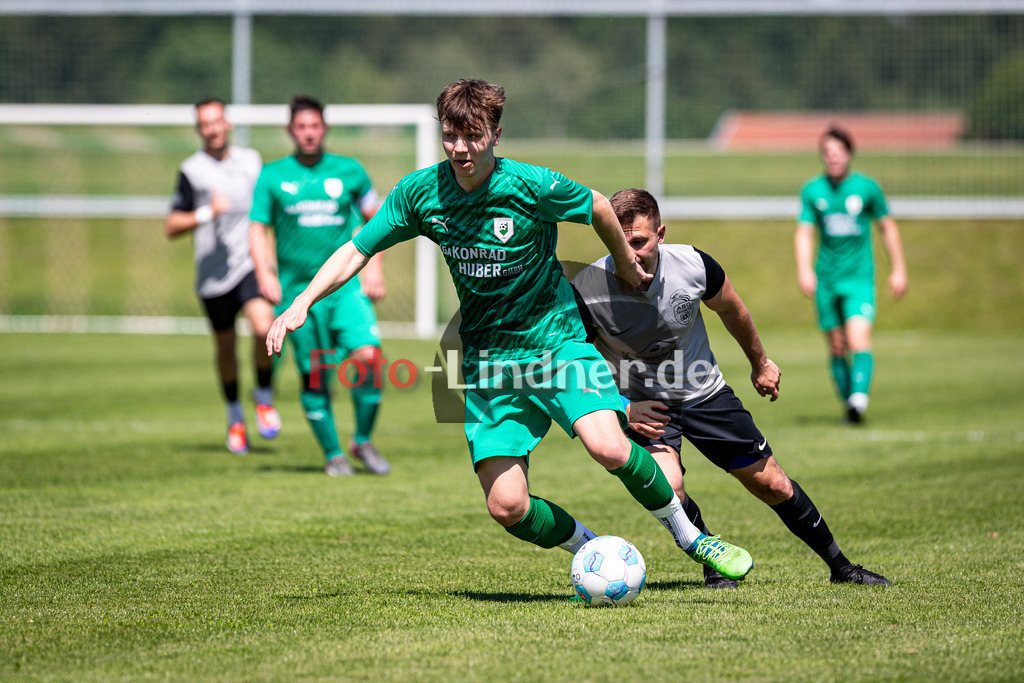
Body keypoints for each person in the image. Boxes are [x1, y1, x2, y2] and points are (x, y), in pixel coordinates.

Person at [266, 79, 754, 582]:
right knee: (507, 506)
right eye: (451, 136)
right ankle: (591, 551)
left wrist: (628, 265)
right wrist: (301, 301)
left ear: (495, 134)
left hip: (555, 341)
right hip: (487, 364)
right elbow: (357, 247)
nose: (460, 148)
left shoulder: (529, 185)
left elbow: (600, 207)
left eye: (472, 135)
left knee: (608, 445)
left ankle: (693, 537)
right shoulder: (420, 193)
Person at [571, 188, 890, 587]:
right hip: (646, 405)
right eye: (621, 242)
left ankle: (841, 567)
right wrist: (622, 406)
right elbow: (572, 363)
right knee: (668, 488)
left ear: (661, 234)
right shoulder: (586, 289)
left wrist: (760, 363)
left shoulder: (694, 265)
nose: (631, 253)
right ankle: (714, 562)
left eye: (640, 241)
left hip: (705, 393)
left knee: (771, 483)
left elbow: (732, 308)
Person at [250, 94, 390, 477]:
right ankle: (333, 454)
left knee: (369, 359)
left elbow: (377, 220)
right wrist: (264, 271)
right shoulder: (272, 176)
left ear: (324, 128)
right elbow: (258, 227)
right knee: (315, 374)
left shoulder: (350, 171)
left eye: (315, 126)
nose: (309, 133)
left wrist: (374, 268)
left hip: (346, 287)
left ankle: (362, 439)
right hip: (298, 295)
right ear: (290, 131)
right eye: (301, 127)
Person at [165, 97, 281, 455]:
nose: (213, 128)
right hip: (213, 276)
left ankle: (262, 395)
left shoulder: (251, 161)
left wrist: (270, 264)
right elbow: (171, 225)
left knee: (264, 328)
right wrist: (205, 213)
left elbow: (265, 215)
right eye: (205, 123)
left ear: (227, 124)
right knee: (225, 347)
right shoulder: (191, 170)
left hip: (250, 263)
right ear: (199, 129)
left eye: (218, 121)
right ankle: (234, 417)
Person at [795, 126, 908, 423]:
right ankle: (850, 405)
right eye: (828, 153)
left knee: (858, 340)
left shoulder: (867, 188)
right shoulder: (813, 190)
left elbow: (887, 227)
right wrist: (804, 269)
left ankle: (858, 399)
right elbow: (804, 233)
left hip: (859, 279)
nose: (833, 158)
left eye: (839, 152)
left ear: (849, 154)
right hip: (826, 280)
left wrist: (899, 269)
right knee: (836, 344)